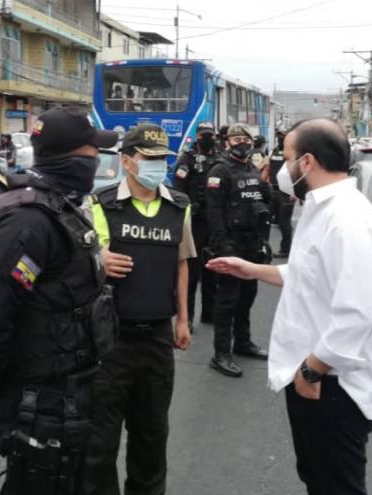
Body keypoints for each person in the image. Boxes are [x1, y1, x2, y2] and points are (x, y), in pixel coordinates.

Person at [207, 118, 372, 495]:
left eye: (287, 157)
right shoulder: (320, 207)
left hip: (331, 385)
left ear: (307, 162)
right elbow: (312, 275)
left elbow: (358, 312)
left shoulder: (349, 221)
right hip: (316, 379)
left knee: (336, 486)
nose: (280, 168)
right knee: (317, 479)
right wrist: (254, 270)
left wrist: (311, 371)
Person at [0, 106, 119, 495]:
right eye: (91, 151)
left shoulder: (60, 206)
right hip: (42, 404)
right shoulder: (28, 221)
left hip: (70, 393)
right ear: (71, 157)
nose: (98, 159)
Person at [82, 124, 193, 495]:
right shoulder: (100, 204)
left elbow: (181, 263)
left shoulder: (179, 206)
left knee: (151, 438)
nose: (158, 165)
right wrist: (100, 260)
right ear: (127, 162)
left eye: (163, 159)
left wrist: (183, 319)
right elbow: (82, 260)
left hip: (158, 339)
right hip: (110, 341)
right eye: (150, 159)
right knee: (99, 443)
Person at [205, 123, 272, 378]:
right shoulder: (220, 170)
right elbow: (214, 210)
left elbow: (263, 200)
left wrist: (263, 241)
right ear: (227, 142)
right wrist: (223, 244)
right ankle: (221, 353)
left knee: (248, 296)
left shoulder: (251, 169)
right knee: (228, 300)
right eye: (235, 139)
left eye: (245, 138)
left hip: (251, 243)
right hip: (230, 242)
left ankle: (243, 342)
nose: (241, 143)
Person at [173, 121, 218, 329]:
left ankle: (209, 313)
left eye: (210, 135)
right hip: (194, 222)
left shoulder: (219, 158)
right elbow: (178, 189)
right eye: (203, 135)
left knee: (212, 268)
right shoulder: (187, 159)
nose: (207, 138)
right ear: (197, 136)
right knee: (191, 272)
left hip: (214, 221)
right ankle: (187, 316)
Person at [267, 129, 294, 258]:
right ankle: (263, 248)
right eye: (278, 136)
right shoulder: (273, 151)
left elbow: (296, 173)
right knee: (265, 220)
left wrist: (294, 192)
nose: (280, 139)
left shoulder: (293, 153)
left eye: (282, 136)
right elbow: (267, 167)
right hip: (272, 190)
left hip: (286, 192)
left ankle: (286, 250)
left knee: (284, 223)